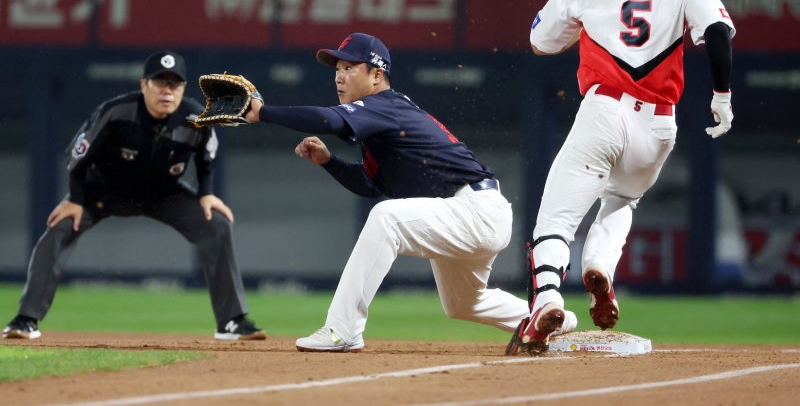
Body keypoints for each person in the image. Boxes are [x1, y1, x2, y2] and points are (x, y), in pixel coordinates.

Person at [241, 32, 577, 352]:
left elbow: (328, 121)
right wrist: (329, 162)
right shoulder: (378, 122)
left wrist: (263, 113)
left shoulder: (385, 105)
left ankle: (342, 330)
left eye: (349, 68)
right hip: (468, 212)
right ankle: (548, 320)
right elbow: (371, 186)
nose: (339, 77)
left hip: (475, 208)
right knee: (464, 303)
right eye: (337, 69)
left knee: (386, 220)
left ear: (376, 75)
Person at [505, 0, 735, 355]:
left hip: (605, 111)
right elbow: (720, 35)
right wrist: (722, 97)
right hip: (659, 125)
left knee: (556, 219)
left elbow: (539, 41)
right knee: (624, 199)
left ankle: (547, 299)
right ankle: (600, 269)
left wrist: (584, 24)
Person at [3, 51, 265, 341]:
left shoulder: (194, 119)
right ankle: (25, 319)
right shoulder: (116, 112)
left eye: (175, 84)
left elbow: (207, 156)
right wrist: (76, 200)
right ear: (143, 85)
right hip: (103, 192)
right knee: (59, 228)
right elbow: (78, 158)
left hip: (164, 195)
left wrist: (206, 194)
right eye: (160, 82)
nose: (167, 90)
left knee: (216, 224)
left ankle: (231, 322)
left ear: (183, 89)